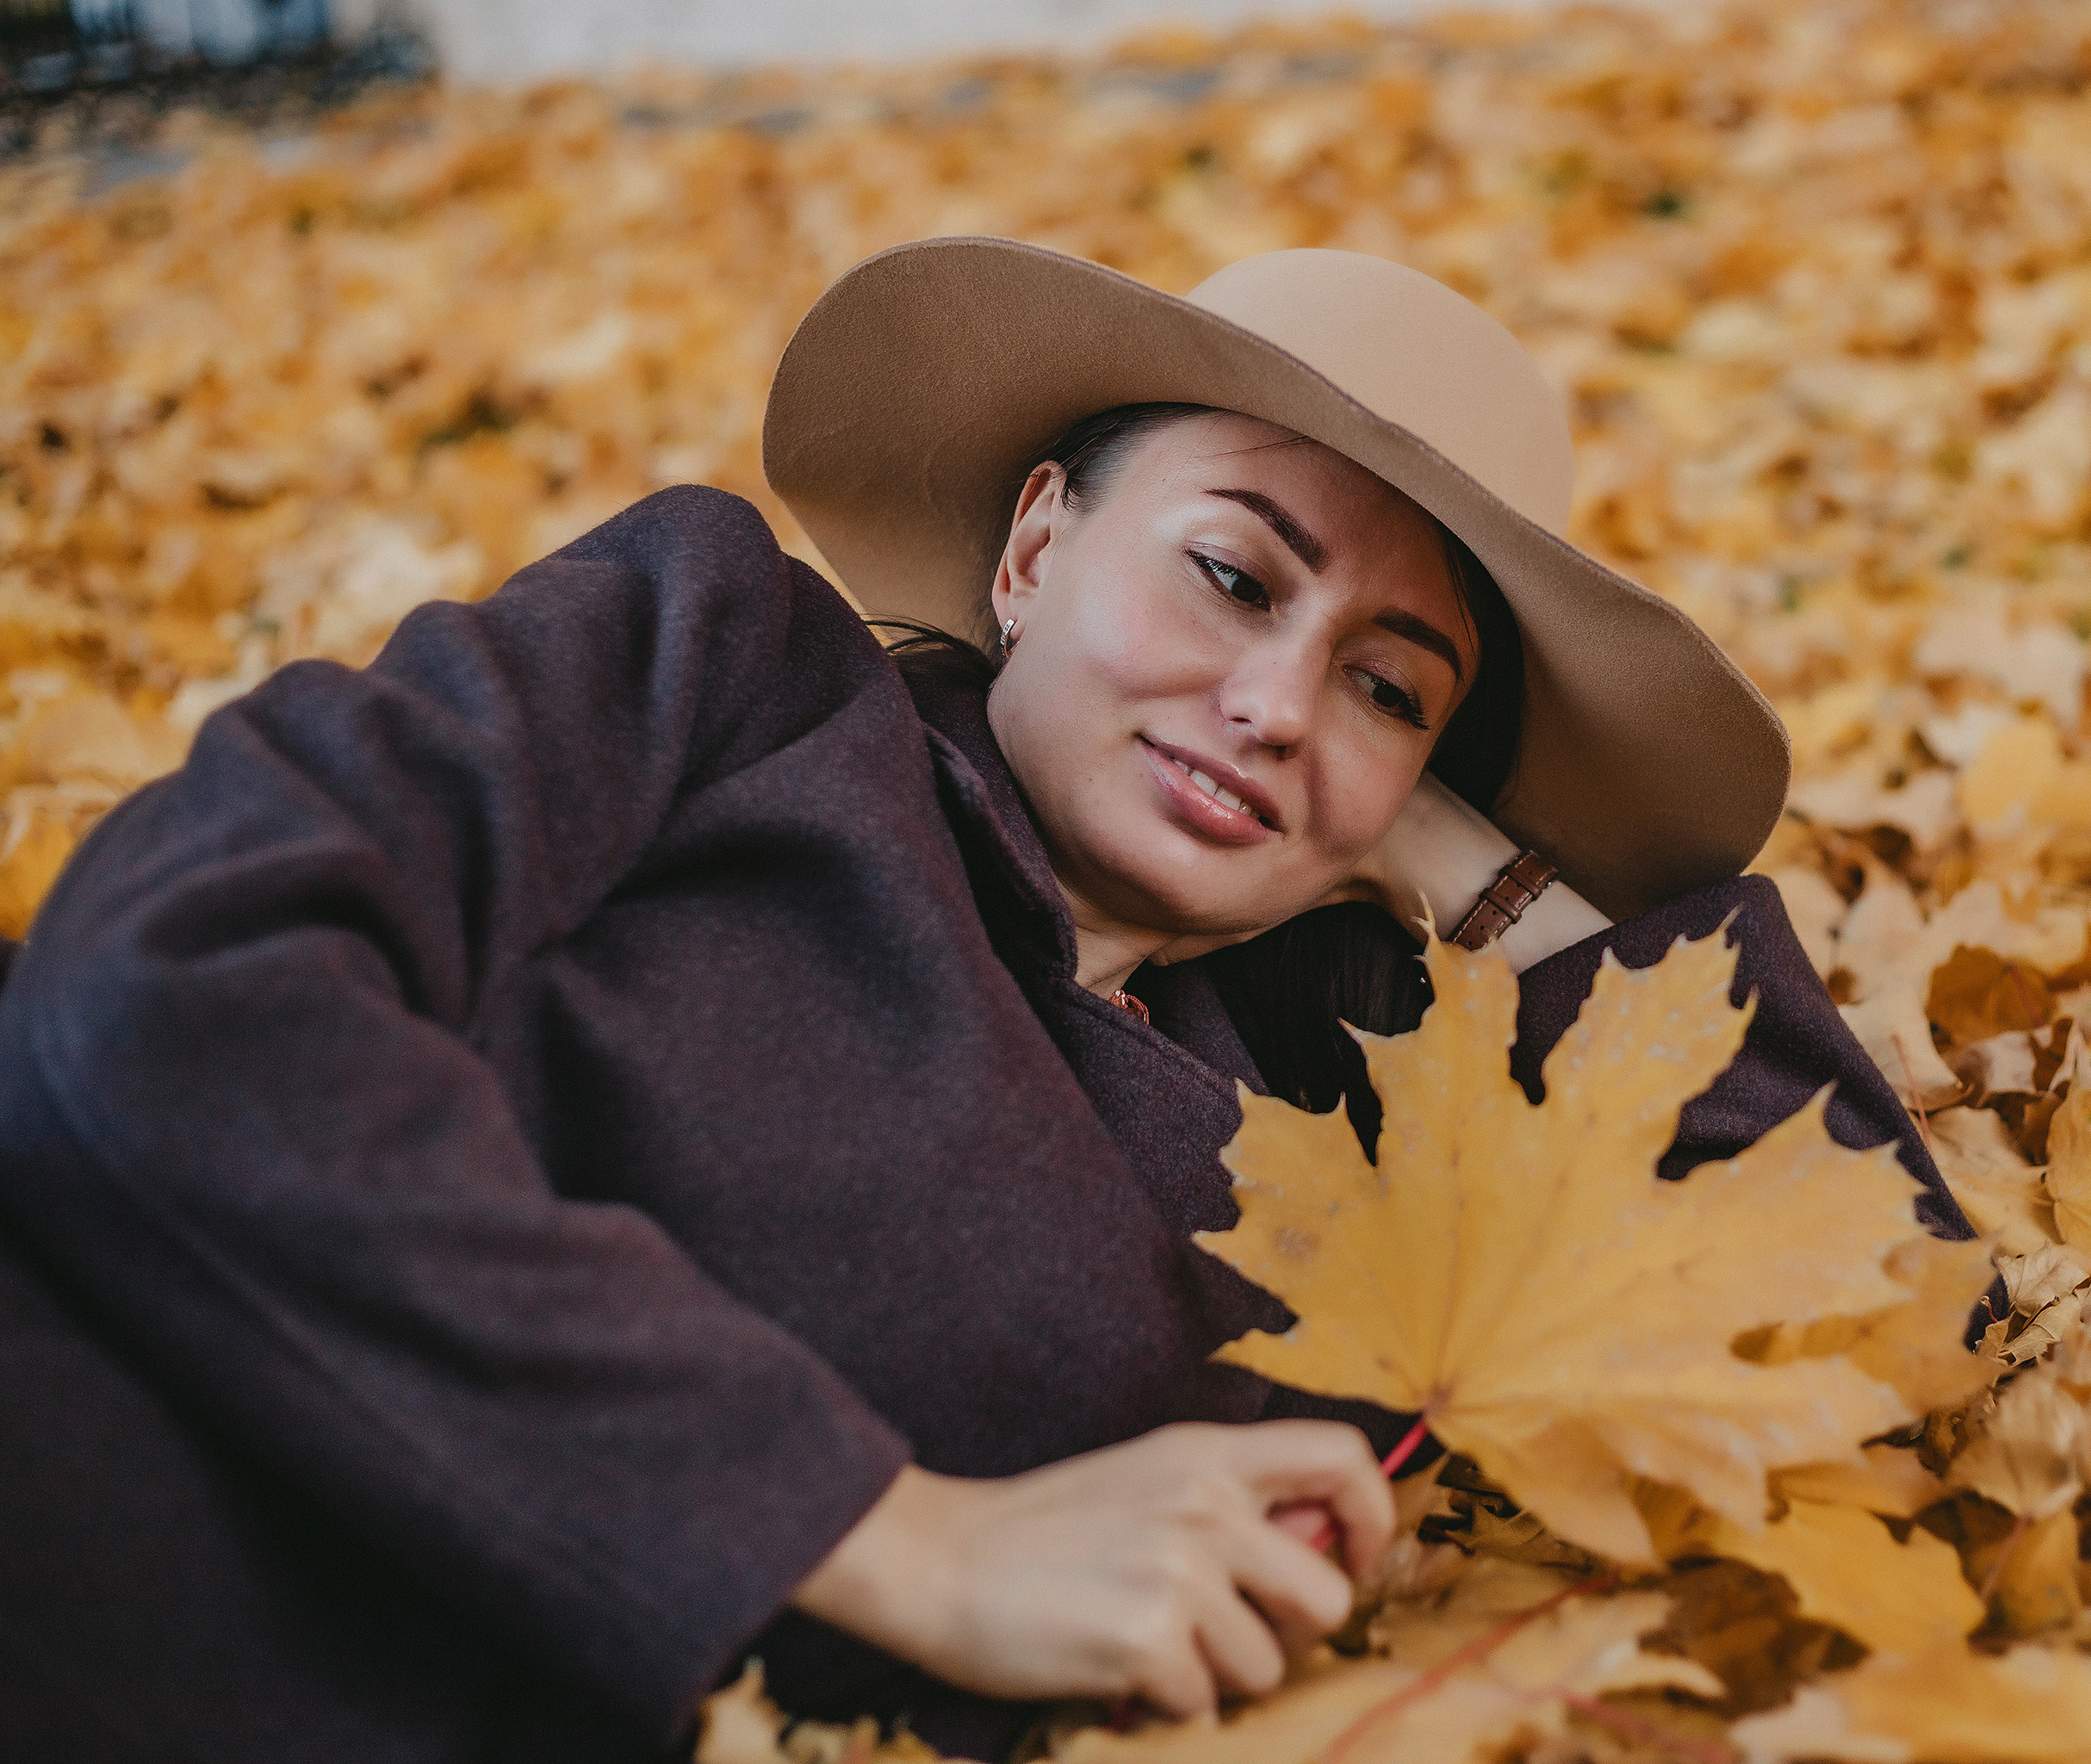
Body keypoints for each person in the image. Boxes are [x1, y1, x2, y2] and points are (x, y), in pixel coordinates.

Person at [0, 239, 1966, 1764]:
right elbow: (170, 987)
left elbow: (1876, 1295)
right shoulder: (726, 668)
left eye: (1390, 685)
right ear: (1035, 545)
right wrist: (885, 1536)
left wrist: (1484, 880)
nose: (1276, 703)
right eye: (1227, 572)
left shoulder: (1350, 1131)